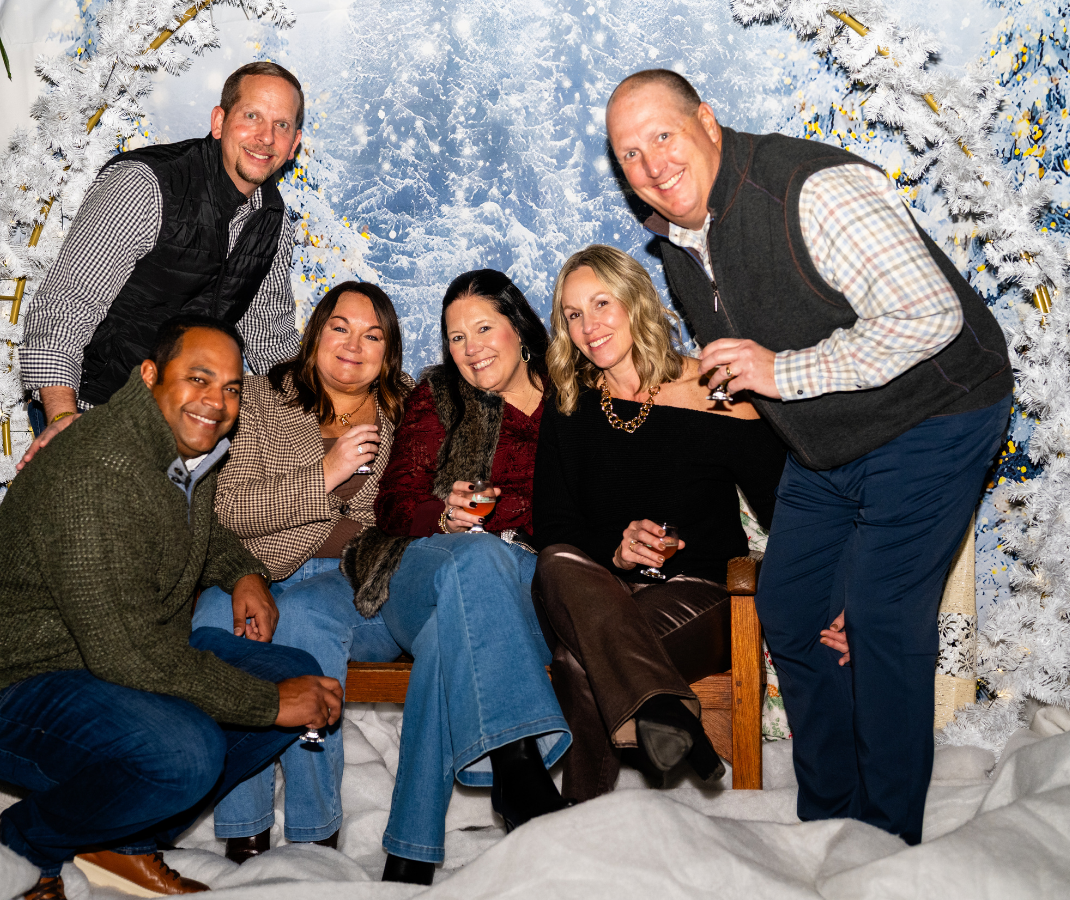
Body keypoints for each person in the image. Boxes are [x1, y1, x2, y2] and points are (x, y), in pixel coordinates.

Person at [605, 69, 1012, 845]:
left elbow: (931, 316)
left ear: (709, 122)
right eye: (630, 153)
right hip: (832, 437)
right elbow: (744, 369)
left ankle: (886, 840)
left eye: (663, 136)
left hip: (937, 413)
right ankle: (833, 815)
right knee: (791, 607)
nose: (652, 165)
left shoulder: (809, 190)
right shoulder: (679, 246)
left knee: (880, 615)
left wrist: (781, 373)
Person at [0, 316, 344, 900]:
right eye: (198, 378)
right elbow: (129, 655)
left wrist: (243, 571)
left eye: (231, 387)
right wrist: (267, 704)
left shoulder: (175, 447)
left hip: (110, 662)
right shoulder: (97, 469)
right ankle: (28, 842)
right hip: (12, 687)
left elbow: (192, 529)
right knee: (187, 753)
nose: (217, 401)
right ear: (151, 375)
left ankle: (120, 839)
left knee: (294, 672)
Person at [271, 269, 572, 885]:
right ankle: (518, 767)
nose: (471, 348)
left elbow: (589, 504)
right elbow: (394, 502)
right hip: (422, 565)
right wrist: (443, 512)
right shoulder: (438, 397)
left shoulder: (573, 403)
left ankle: (409, 854)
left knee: (451, 629)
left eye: (484, 328)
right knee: (472, 561)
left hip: (529, 580)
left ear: (520, 328)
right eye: (455, 336)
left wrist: (508, 517)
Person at [532, 245, 788, 802]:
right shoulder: (569, 401)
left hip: (702, 593)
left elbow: (786, 513)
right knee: (554, 562)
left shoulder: (716, 393)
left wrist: (829, 595)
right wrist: (616, 552)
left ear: (635, 301)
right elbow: (553, 525)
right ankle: (665, 710)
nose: (588, 326)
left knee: (577, 663)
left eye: (601, 304)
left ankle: (575, 829)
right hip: (598, 591)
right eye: (572, 315)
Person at [190, 281, 413, 861]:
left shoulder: (409, 413)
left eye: (373, 334)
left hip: (351, 584)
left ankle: (316, 832)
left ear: (389, 351)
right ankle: (245, 825)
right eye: (340, 327)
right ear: (315, 333)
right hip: (251, 571)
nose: (353, 344)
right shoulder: (263, 401)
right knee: (219, 625)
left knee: (307, 622)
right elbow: (227, 507)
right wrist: (325, 474)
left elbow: (416, 510)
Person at [18, 61, 306, 469]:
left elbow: (267, 342)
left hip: (182, 429)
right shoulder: (146, 185)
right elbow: (66, 306)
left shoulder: (273, 223)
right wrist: (65, 418)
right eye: (252, 116)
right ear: (220, 121)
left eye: (281, 125)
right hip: (95, 407)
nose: (265, 137)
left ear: (294, 144)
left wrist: (332, 413)